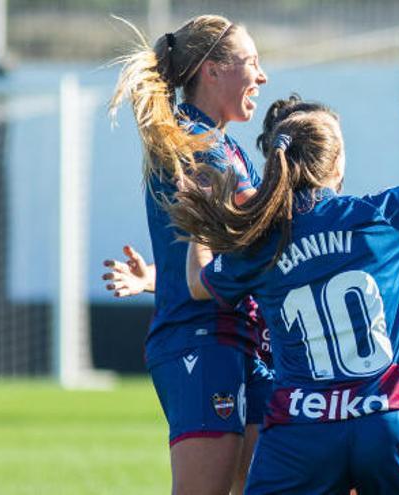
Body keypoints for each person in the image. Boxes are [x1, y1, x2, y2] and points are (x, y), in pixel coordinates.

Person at [168, 60, 399, 494]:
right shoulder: (383, 215)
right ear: (337, 163)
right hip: (389, 423)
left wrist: (202, 221)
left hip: (300, 433)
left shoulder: (263, 240)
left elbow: (200, 284)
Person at [106, 15, 271, 494]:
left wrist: (157, 277)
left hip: (244, 339)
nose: (262, 76)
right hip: (203, 339)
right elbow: (262, 222)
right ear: (211, 70)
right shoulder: (193, 143)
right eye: (252, 63)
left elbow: (215, 251)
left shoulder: (225, 144)